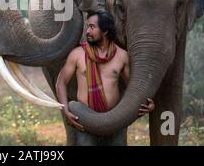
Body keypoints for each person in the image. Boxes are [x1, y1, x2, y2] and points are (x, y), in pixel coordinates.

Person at [56, 10, 155, 146]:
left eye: (92, 27)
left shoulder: (122, 56)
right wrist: (65, 109)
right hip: (85, 120)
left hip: (115, 121)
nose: (87, 31)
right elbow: (61, 82)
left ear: (105, 31)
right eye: (87, 27)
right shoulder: (77, 54)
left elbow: (133, 88)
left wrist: (147, 103)